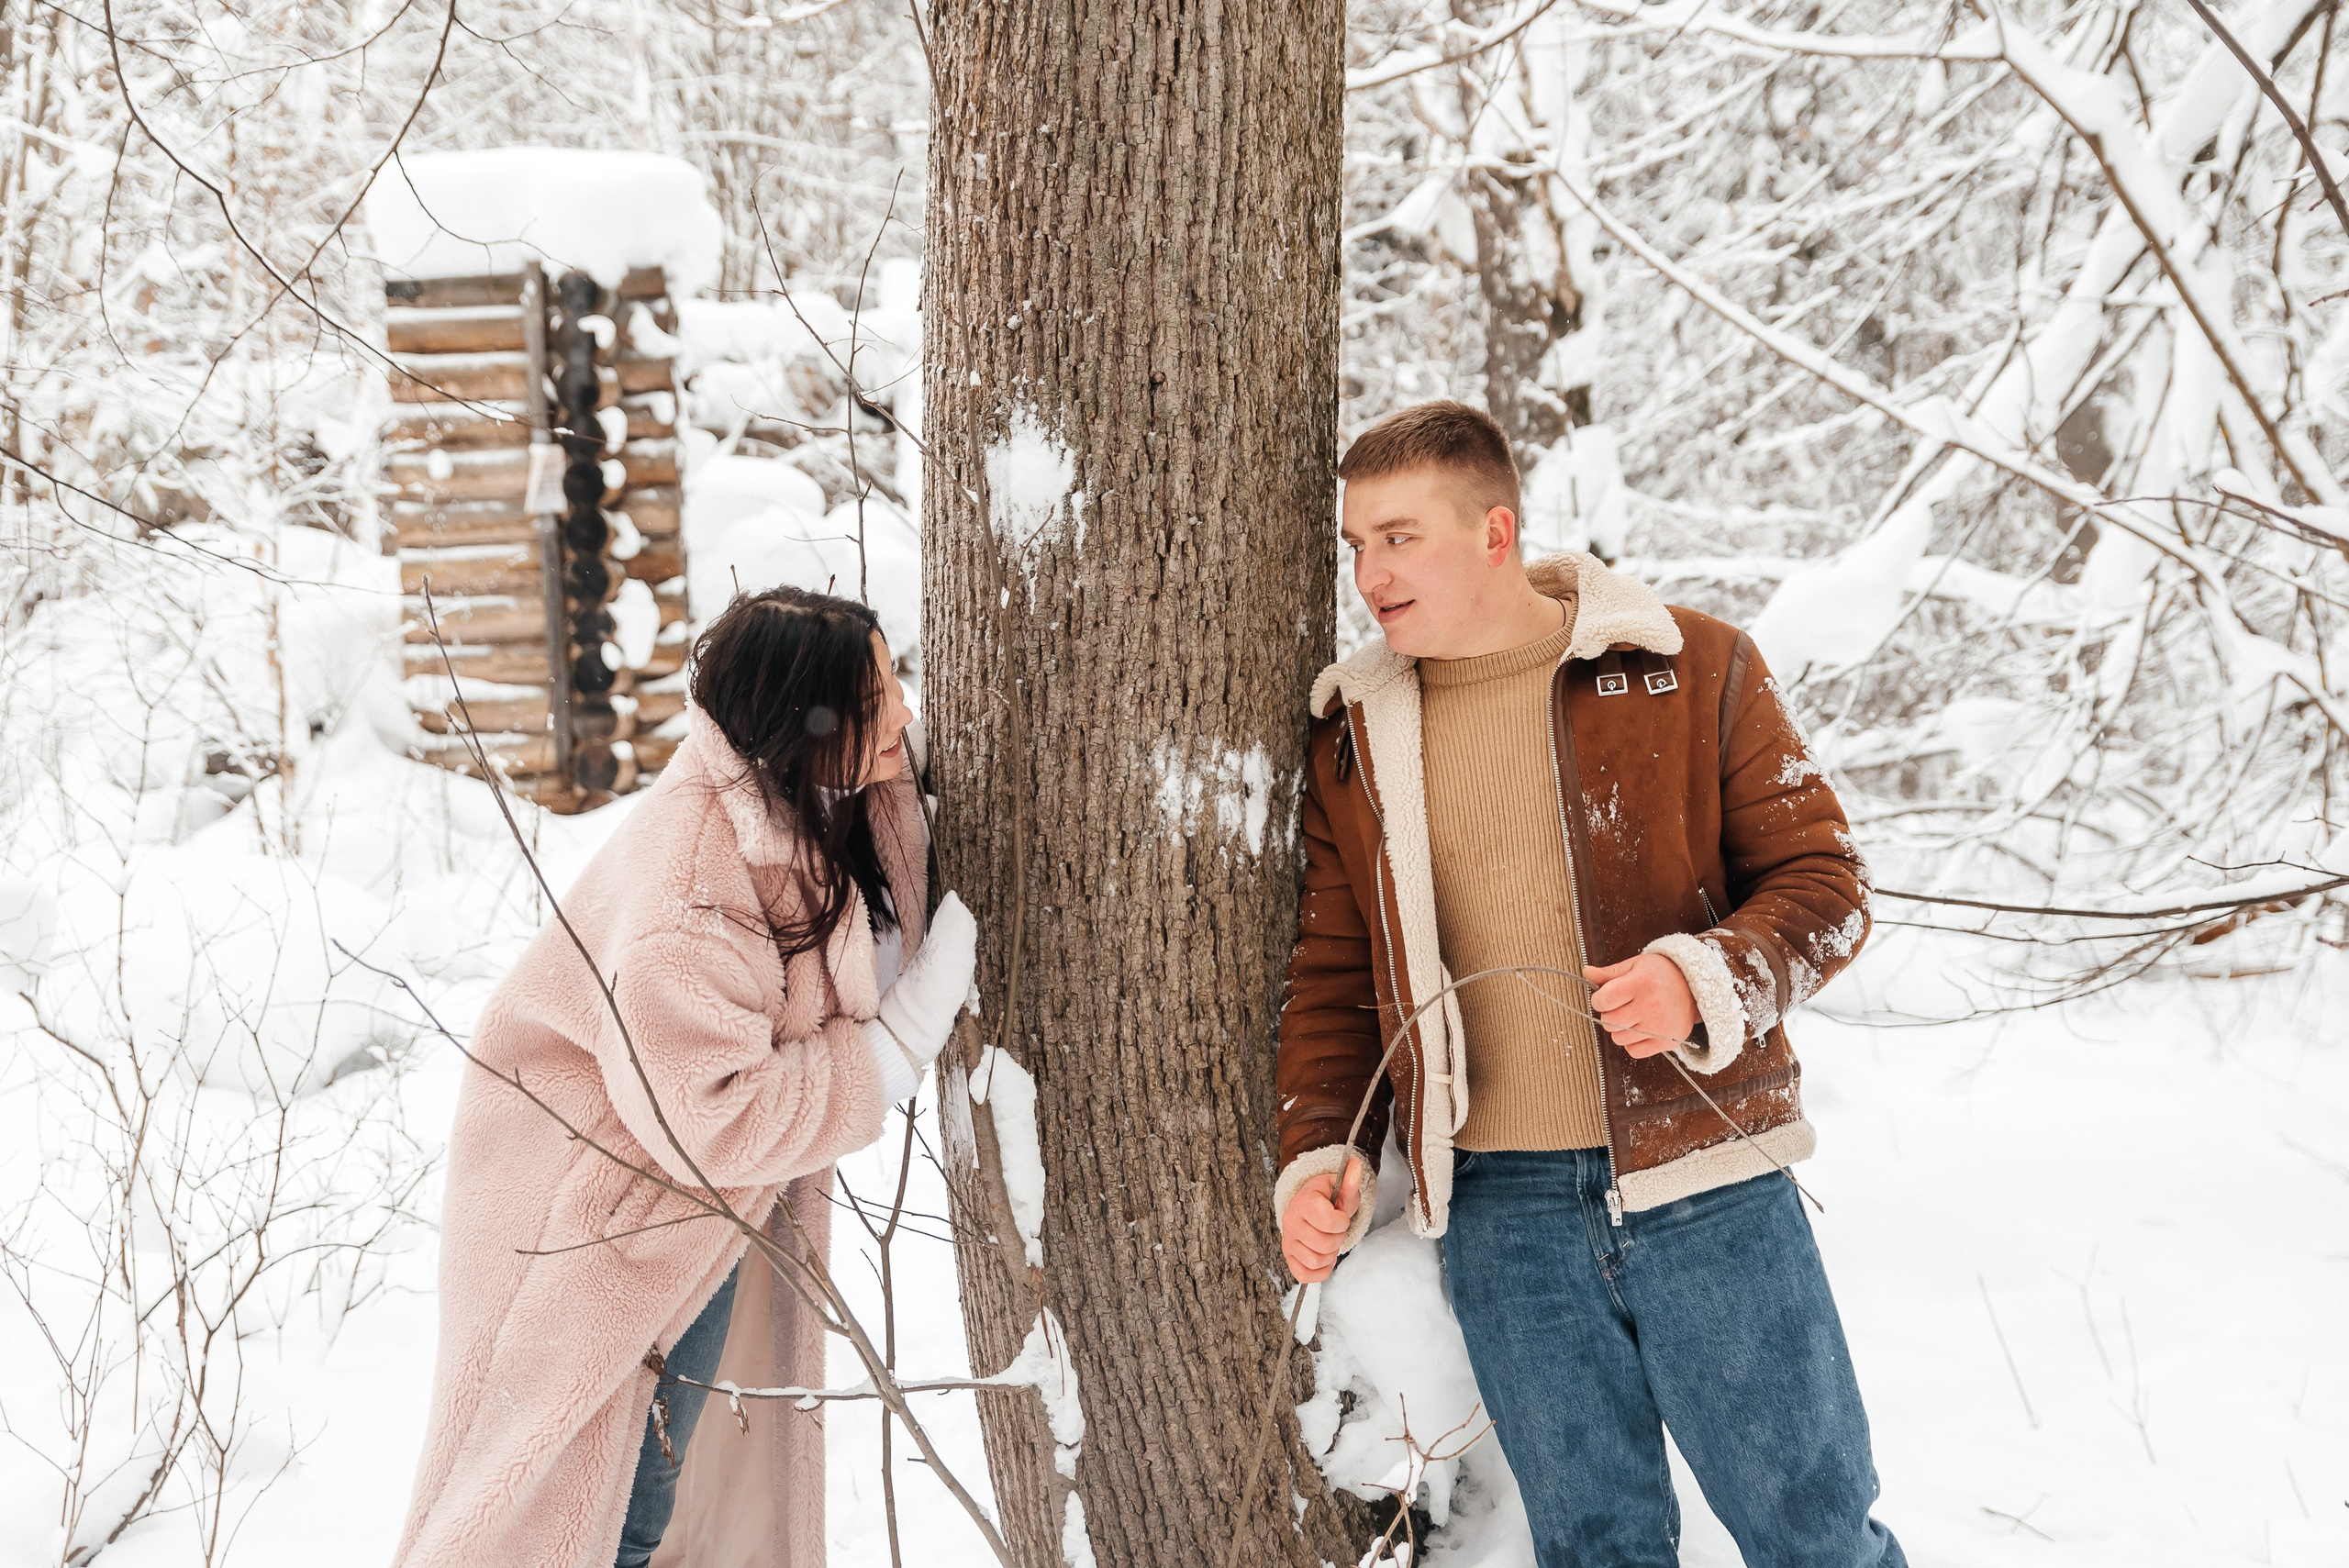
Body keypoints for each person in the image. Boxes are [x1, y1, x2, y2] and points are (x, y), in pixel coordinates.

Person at [1273, 402, 1900, 1567]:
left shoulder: (1686, 665)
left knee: (1817, 1538)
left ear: (1495, 530)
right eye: (1355, 543)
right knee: (1596, 1549)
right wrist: (1327, 1150)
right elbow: (1334, 981)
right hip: (1501, 1216)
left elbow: (1830, 886)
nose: (1369, 571)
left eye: (1399, 536)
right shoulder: (1353, 734)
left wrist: (1701, 976)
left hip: (1704, 1176)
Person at [395, 585, 975, 1568]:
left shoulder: (814, 788)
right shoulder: (689, 892)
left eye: (892, 683)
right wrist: (899, 1043)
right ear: (802, 724)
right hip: (592, 1202)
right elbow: (713, 1118)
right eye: (873, 701)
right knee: (594, 1499)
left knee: (641, 1483)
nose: (906, 714)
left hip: (679, 1190)